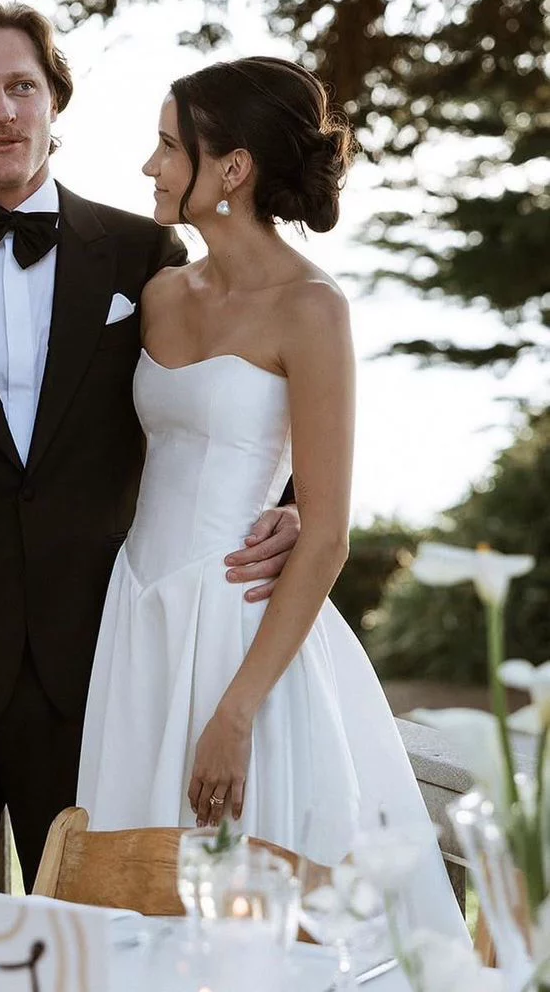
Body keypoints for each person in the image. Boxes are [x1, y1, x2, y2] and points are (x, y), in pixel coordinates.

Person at [0, 1, 301, 891]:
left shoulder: (142, 250)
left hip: (99, 667)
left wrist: (296, 504)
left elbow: (250, 382)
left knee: (87, 936)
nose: (0, 111)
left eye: (20, 86)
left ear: (53, 102)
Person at [75, 56, 467, 937]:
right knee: (129, 893)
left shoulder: (313, 309)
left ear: (233, 168)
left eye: (169, 147)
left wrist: (236, 711)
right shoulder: (163, 294)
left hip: (241, 633)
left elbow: (327, 535)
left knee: (256, 909)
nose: (150, 166)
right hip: (139, 622)